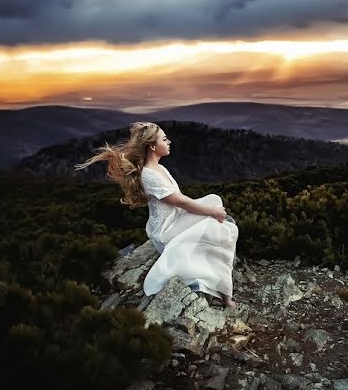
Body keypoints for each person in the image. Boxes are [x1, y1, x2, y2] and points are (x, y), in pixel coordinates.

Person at [74, 121, 239, 308]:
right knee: (217, 225)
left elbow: (181, 200)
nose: (169, 142)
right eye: (164, 139)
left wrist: (211, 208)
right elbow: (180, 201)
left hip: (176, 218)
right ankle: (224, 292)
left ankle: (219, 278)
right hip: (166, 229)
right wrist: (211, 212)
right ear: (152, 146)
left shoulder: (160, 168)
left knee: (214, 199)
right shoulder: (149, 175)